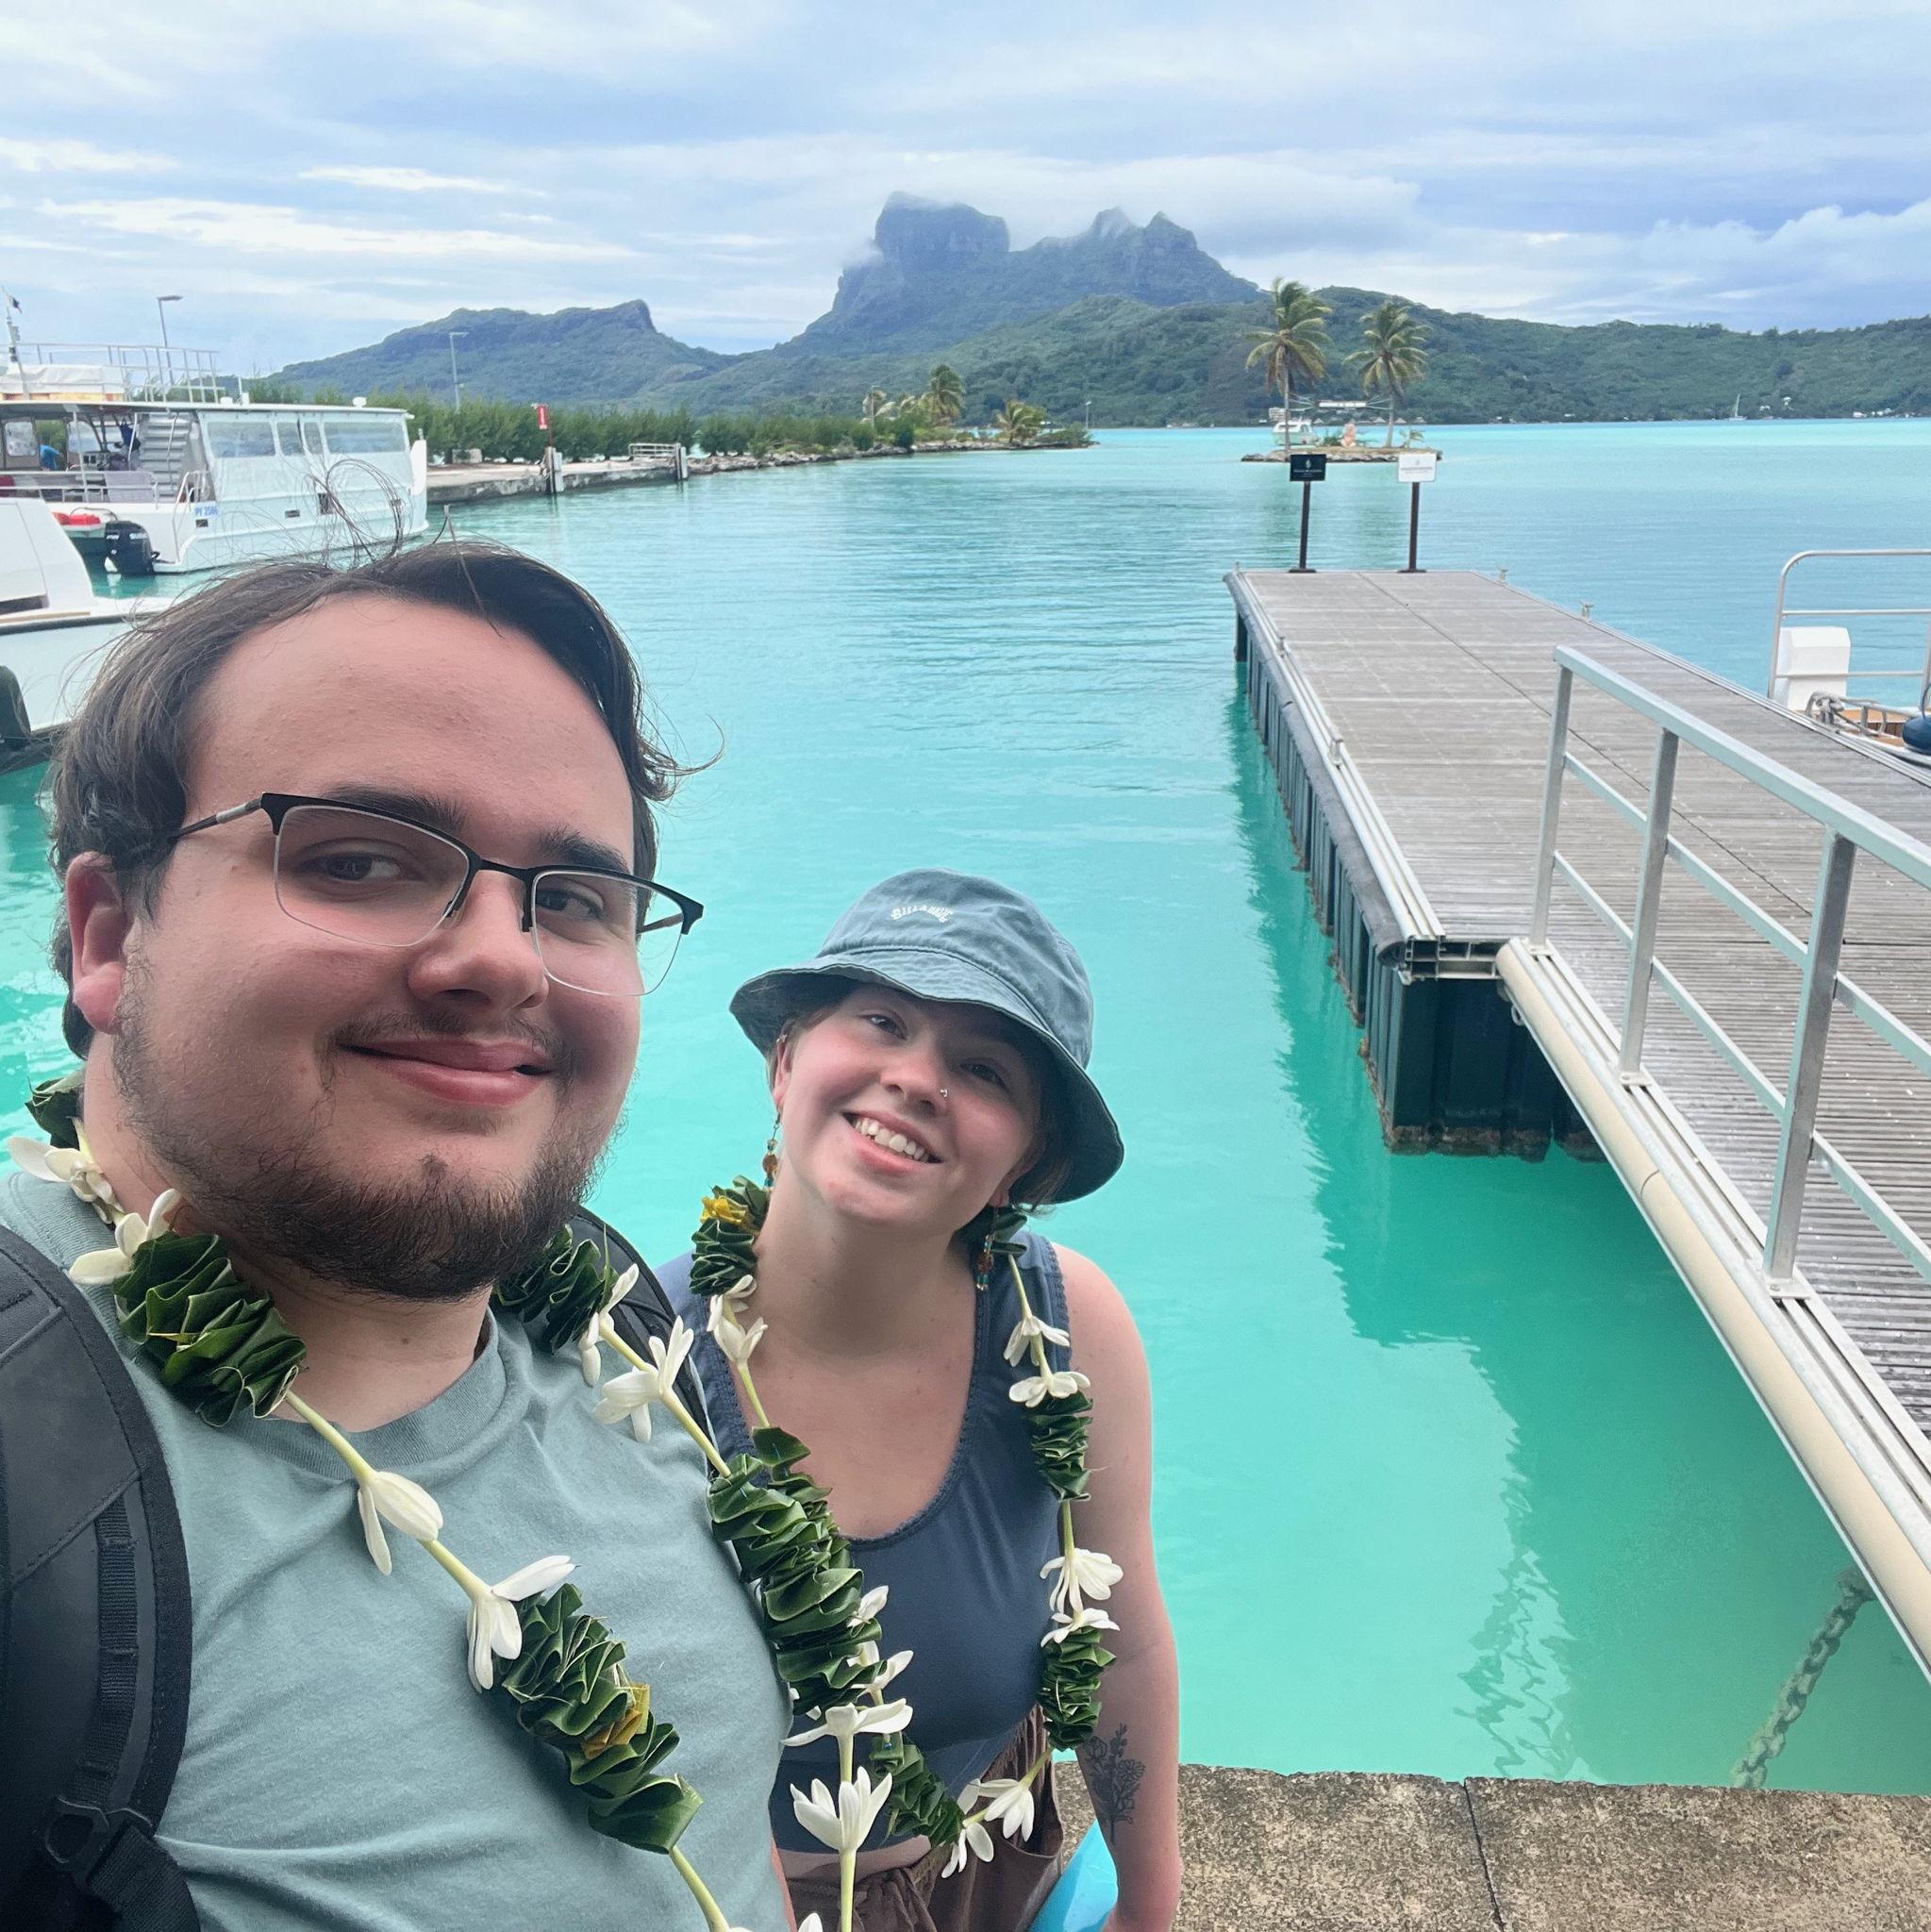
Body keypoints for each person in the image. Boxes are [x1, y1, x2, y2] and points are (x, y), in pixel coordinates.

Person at [0, 542, 791, 1932]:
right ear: (108, 935)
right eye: (357, 858)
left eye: (572, 900)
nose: (501, 957)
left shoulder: (601, 1312)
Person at [661, 870, 1183, 1932]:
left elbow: (1120, 1638)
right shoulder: (638, 1361)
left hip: (990, 1858)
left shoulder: (1071, 1326)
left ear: (1022, 1164)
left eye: (981, 1066)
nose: (915, 1077)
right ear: (785, 1059)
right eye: (882, 1021)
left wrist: (1146, 1902)